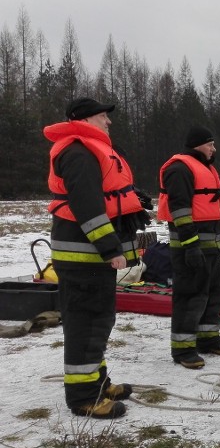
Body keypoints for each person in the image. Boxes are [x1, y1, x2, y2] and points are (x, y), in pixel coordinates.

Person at [44, 97, 151, 418]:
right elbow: (87, 205)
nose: (109, 122)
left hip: (87, 256)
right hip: (84, 256)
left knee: (96, 321)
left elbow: (103, 195)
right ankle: (83, 397)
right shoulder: (77, 152)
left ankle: (98, 382)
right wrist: (110, 248)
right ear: (85, 119)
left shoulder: (87, 149)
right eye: (103, 116)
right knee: (87, 323)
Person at [158, 125, 220, 369]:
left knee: (213, 295)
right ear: (198, 145)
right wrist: (190, 246)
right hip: (190, 249)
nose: (213, 149)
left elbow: (212, 212)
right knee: (190, 297)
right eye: (210, 144)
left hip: (210, 249)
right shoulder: (179, 169)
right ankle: (183, 348)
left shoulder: (206, 169)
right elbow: (180, 211)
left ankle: (208, 338)